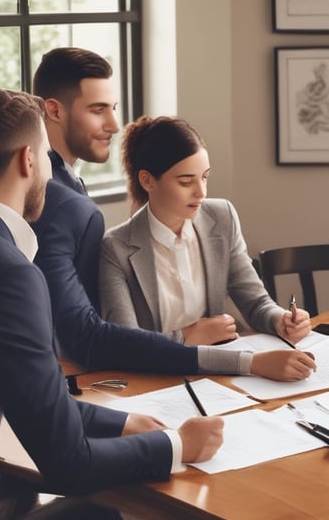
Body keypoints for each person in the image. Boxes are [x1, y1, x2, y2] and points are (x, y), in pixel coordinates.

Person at [0, 88, 224, 520]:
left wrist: (125, 421)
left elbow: (27, 397)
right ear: (29, 160)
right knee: (122, 515)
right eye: (48, 158)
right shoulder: (10, 274)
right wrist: (178, 446)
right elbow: (69, 464)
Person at [30, 47, 316, 380]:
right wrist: (191, 340)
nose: (113, 124)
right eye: (98, 110)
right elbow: (88, 336)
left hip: (210, 379)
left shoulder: (68, 185)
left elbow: (254, 300)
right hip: (121, 379)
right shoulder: (66, 205)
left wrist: (279, 318)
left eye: (113, 109)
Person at [99, 115, 312, 347]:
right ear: (147, 181)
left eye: (205, 177)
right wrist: (187, 337)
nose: (201, 192)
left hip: (219, 369)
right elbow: (124, 342)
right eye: (185, 181)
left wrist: (280, 319)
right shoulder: (115, 247)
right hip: (154, 377)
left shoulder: (222, 218)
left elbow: (256, 303)